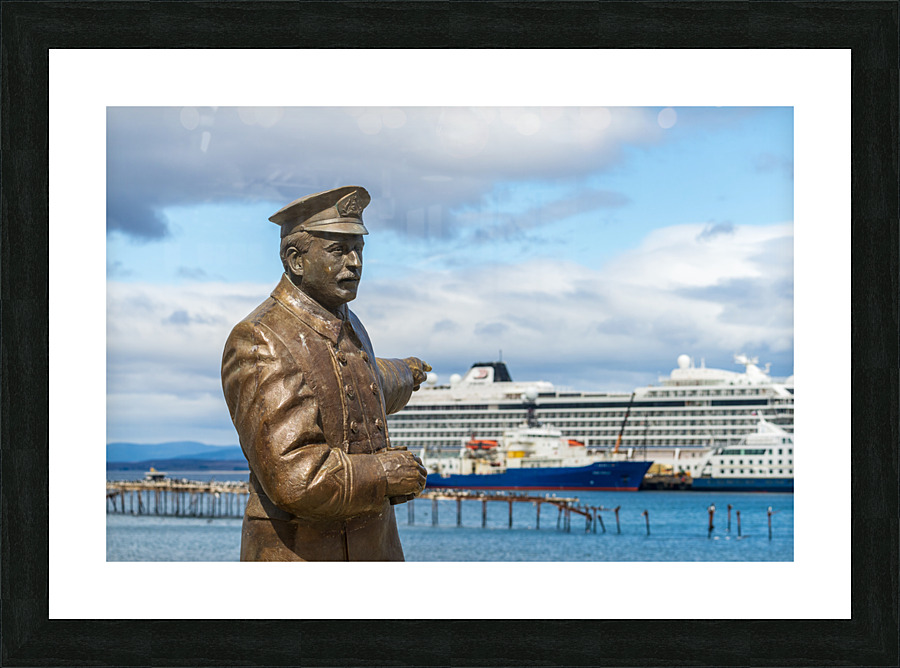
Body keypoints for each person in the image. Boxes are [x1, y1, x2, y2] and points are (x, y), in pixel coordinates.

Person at [221, 186, 430, 561]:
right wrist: (383, 473)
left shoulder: (347, 323)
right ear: (295, 260)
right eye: (338, 250)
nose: (355, 263)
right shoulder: (260, 340)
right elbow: (295, 476)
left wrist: (406, 373)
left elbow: (359, 384)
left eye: (359, 250)